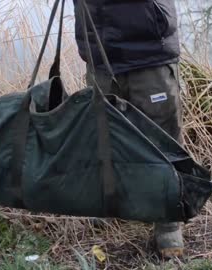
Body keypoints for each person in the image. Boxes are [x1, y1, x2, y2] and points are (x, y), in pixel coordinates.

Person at [72, 0, 184, 257]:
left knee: (163, 139)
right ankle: (113, 203)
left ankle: (168, 223)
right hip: (100, 48)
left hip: (150, 46)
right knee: (103, 135)